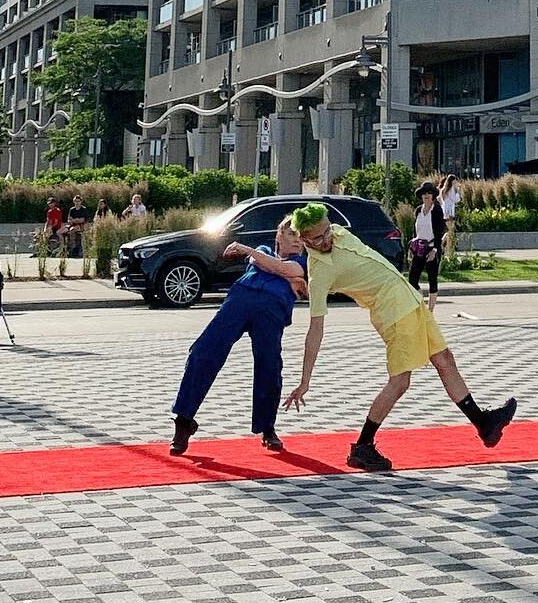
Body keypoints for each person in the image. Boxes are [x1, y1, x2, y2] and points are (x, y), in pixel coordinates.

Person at [282, 201, 516, 473]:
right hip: (392, 313)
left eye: (327, 231)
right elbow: (316, 328)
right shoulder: (320, 272)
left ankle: (484, 425)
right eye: (318, 238)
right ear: (304, 240)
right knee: (400, 381)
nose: (326, 239)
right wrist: (305, 380)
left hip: (409, 300)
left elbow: (336, 235)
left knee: (445, 359)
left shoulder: (335, 231)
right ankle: (362, 447)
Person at [170, 219, 309, 456]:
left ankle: (267, 427)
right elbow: (263, 262)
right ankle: (184, 421)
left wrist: (246, 249)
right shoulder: (263, 250)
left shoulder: (303, 261)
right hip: (239, 302)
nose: (297, 239)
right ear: (279, 235)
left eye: (301, 235)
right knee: (203, 352)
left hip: (272, 311)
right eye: (291, 233)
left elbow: (285, 269)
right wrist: (287, 278)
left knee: (269, 365)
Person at [408, 182, 446, 305]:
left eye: (429, 193)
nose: (426, 195)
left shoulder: (437, 210)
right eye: (424, 193)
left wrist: (435, 250)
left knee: (432, 279)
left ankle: (430, 311)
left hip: (431, 248)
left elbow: (440, 230)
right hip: (419, 247)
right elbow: (416, 230)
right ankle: (421, 303)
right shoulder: (419, 210)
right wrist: (412, 246)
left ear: (433, 195)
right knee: (412, 279)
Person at [438, 174, 461, 261]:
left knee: (450, 231)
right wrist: (458, 191)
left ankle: (448, 250)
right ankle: (443, 245)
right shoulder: (451, 190)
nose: (456, 182)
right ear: (452, 181)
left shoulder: (444, 189)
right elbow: (456, 200)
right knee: (450, 232)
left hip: (446, 213)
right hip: (450, 214)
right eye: (455, 181)